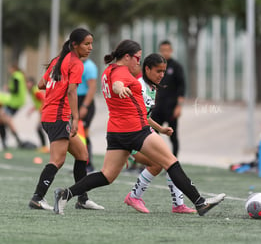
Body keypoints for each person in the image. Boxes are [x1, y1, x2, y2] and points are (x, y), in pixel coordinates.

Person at [53, 40, 225, 216]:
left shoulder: (109, 70)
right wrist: (119, 88)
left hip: (116, 130)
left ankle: (65, 194)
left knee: (107, 175)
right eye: (137, 58)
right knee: (170, 161)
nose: (138, 62)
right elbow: (117, 84)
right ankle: (199, 202)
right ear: (127, 56)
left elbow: (115, 84)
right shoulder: (120, 72)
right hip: (135, 129)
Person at [29, 28, 103, 211]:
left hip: (49, 114)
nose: (90, 47)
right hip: (58, 117)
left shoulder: (57, 60)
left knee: (82, 155)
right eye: (86, 44)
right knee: (58, 160)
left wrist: (55, 89)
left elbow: (40, 85)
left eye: (91, 44)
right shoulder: (76, 63)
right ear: (75, 45)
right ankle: (37, 198)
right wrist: (76, 118)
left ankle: (82, 199)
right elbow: (71, 91)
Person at [124, 53, 196, 214]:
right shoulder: (139, 86)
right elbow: (132, 115)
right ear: (147, 69)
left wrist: (162, 129)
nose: (162, 75)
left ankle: (177, 204)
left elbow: (145, 116)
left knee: (168, 162)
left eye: (164, 71)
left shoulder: (152, 88)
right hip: (132, 137)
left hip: (143, 134)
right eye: (158, 71)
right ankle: (135, 196)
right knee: (164, 163)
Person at [151, 40, 185, 157]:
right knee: (152, 134)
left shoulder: (176, 67)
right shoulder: (155, 67)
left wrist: (179, 107)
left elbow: (182, 87)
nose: (165, 53)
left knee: (173, 136)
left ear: (171, 51)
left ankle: (173, 162)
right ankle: (154, 160)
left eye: (167, 50)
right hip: (157, 107)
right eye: (163, 50)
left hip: (171, 107)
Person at [77, 57, 98, 172]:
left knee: (84, 133)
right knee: (77, 135)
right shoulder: (74, 64)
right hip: (76, 101)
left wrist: (84, 106)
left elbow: (92, 87)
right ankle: (81, 165)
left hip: (85, 102)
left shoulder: (89, 66)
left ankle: (88, 164)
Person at [0, 64, 26, 149]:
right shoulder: (20, 76)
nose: (9, 70)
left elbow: (15, 90)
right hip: (16, 102)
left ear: (13, 68)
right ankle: (7, 141)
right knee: (3, 120)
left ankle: (17, 140)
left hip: (14, 103)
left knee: (6, 120)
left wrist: (8, 88)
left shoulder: (16, 76)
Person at [26, 77, 48, 153]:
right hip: (42, 111)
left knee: (39, 128)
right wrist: (31, 111)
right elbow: (38, 103)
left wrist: (41, 110)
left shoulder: (35, 91)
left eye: (29, 83)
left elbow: (44, 100)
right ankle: (44, 146)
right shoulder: (33, 91)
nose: (27, 84)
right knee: (40, 128)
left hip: (44, 111)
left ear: (32, 83)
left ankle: (44, 146)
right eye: (27, 83)